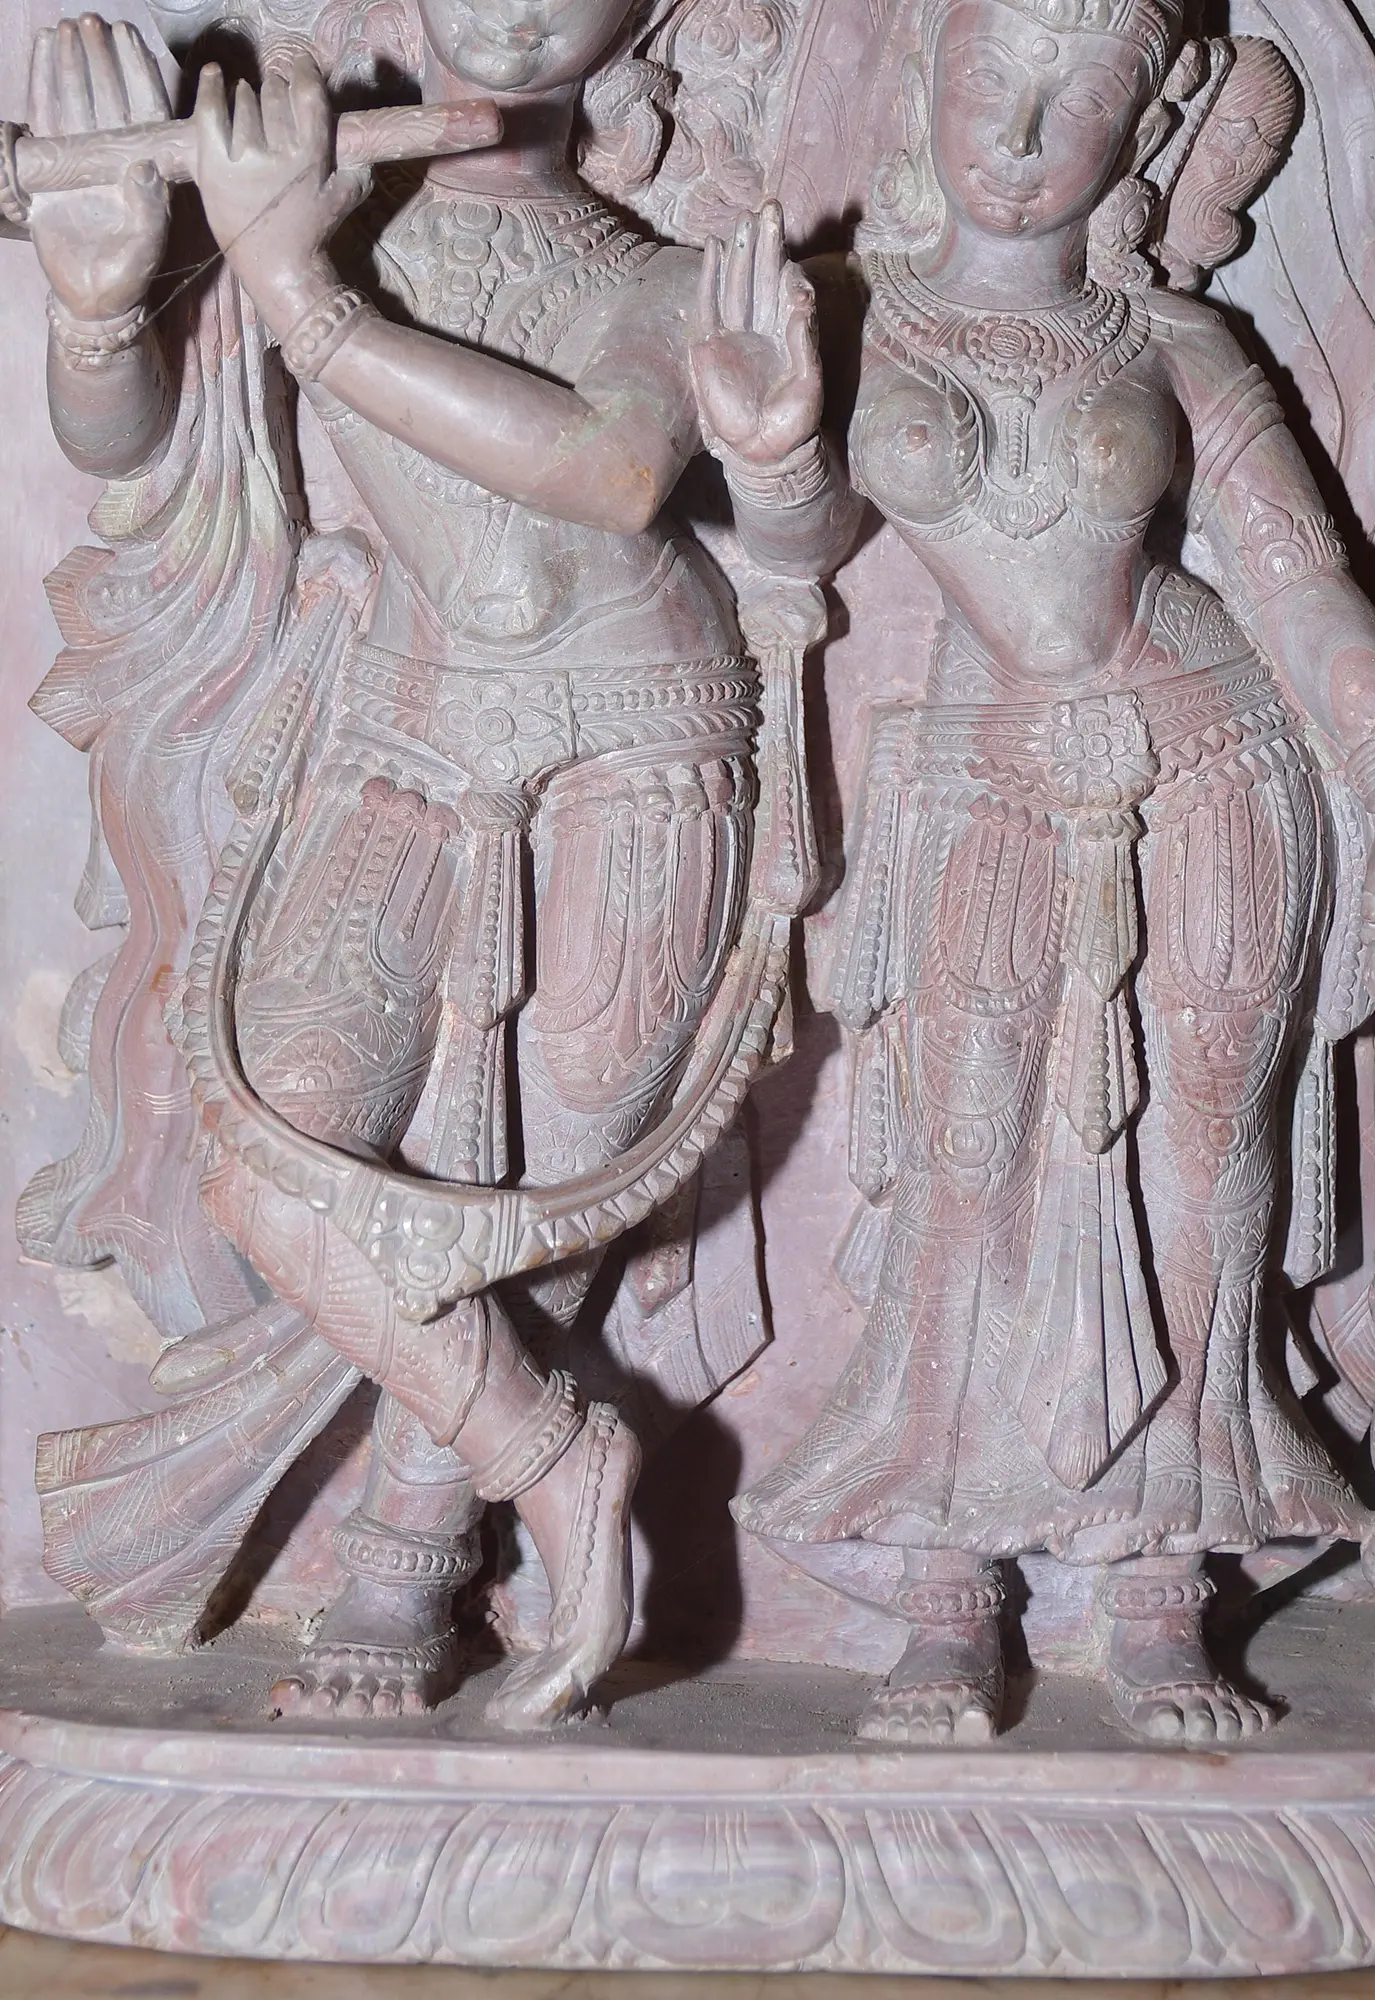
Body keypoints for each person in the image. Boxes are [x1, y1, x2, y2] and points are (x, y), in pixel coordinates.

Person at [27, 2, 852, 1727]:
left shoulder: (655, 272)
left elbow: (614, 471)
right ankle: (544, 1452)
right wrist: (102, 295)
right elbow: (132, 441)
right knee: (276, 1145)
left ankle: (411, 1553)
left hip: (641, 735)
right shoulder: (318, 198)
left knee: (540, 1191)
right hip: (399, 735)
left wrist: (299, 291)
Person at [733, 0, 1375, 1745]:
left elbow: (1299, 584)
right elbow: (801, 538)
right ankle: (950, 1587)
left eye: (1077, 93)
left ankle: (1162, 1587)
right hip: (982, 775)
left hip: (1215, 762)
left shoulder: (1175, 338)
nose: (1020, 131)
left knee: (1203, 1167)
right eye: (992, 75)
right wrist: (771, 457)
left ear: (1150, 123)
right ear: (924, 74)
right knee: (963, 1161)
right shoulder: (846, 313)